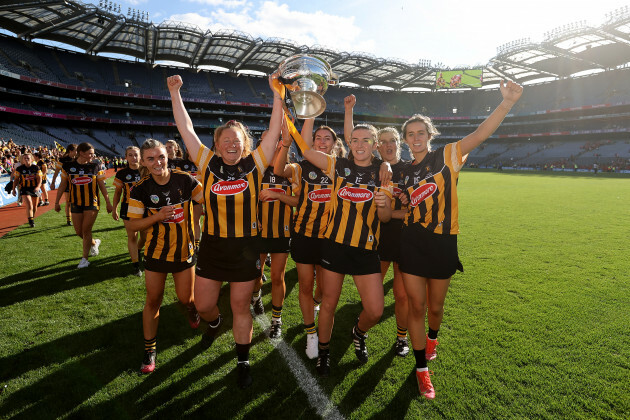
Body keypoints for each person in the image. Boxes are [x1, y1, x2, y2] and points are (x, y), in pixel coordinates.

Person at [399, 80, 523, 399]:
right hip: (411, 243)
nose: (415, 138)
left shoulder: (447, 156)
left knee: (436, 309)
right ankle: (421, 370)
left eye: (420, 133)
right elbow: (394, 210)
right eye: (410, 134)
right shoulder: (399, 172)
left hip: (443, 244)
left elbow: (481, 135)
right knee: (417, 306)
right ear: (405, 139)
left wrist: (506, 103)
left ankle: (433, 339)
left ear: (429, 136)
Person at [167, 73, 281, 389]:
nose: (232, 144)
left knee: (240, 307)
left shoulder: (255, 165)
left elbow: (273, 133)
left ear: (246, 145)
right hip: (214, 247)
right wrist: (175, 94)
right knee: (203, 306)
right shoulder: (207, 163)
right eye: (225, 140)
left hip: (246, 248)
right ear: (216, 145)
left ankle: (243, 361)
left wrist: (277, 94)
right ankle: (215, 324)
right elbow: (186, 130)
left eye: (237, 140)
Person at [296, 118, 393, 377]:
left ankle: (358, 332)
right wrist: (310, 114)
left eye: (366, 140)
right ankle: (324, 353)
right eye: (355, 140)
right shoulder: (337, 166)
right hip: (335, 247)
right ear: (348, 143)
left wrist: (384, 204)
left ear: (374, 144)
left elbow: (384, 218)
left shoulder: (384, 173)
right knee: (329, 304)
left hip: (366, 250)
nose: (360, 144)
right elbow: (306, 150)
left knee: (375, 310)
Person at [126, 139, 204, 374]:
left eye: (160, 156)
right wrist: (157, 217)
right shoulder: (140, 189)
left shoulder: (185, 179)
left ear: (167, 156)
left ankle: (193, 310)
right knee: (153, 301)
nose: (157, 162)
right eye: (150, 158)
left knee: (185, 300)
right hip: (155, 254)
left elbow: (205, 200)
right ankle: (150, 350)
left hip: (183, 252)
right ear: (144, 162)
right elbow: (132, 226)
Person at [344, 95, 412, 358]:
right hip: (375, 238)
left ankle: (401, 338)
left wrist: (392, 212)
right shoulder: (369, 168)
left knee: (402, 296)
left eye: (392, 141)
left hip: (404, 240)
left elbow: (412, 211)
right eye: (382, 142)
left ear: (398, 144)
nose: (387, 145)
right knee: (372, 297)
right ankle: (362, 331)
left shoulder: (408, 170)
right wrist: (349, 110)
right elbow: (351, 139)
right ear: (376, 146)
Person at [273, 120, 345, 359]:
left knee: (324, 289)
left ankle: (317, 305)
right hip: (304, 235)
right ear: (312, 142)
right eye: (318, 138)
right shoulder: (300, 167)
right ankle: (311, 334)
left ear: (335, 144)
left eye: (327, 138)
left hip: (331, 239)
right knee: (305, 285)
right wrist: (285, 144)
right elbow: (278, 171)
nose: (322, 142)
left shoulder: (341, 168)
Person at [252, 137, 298, 339]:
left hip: (282, 232)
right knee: (255, 277)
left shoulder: (290, 172)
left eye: (280, 144)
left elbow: (298, 200)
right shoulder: (255, 170)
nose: (275, 147)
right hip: (258, 233)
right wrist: (253, 217)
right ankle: (256, 296)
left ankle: (276, 320)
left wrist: (277, 195)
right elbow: (244, 199)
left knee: (278, 277)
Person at [54, 142, 113, 268]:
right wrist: (56, 201)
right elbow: (63, 185)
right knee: (78, 231)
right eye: (90, 153)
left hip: (92, 202)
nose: (93, 156)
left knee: (86, 230)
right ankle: (94, 243)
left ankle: (84, 259)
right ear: (81, 153)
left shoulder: (96, 166)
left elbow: (102, 186)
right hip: (75, 202)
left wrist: (108, 202)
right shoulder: (68, 166)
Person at [112, 146, 146, 277]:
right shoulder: (121, 174)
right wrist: (114, 208)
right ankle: (135, 265)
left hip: (145, 207)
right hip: (127, 207)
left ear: (140, 156)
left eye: (136, 155)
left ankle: (137, 251)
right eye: (130, 155)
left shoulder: (146, 170)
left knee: (145, 237)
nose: (134, 158)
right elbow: (117, 193)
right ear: (126, 157)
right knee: (132, 236)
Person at [12, 153, 42, 227]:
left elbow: (40, 179)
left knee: (35, 207)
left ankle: (32, 218)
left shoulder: (36, 168)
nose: (26, 159)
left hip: (34, 188)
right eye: (25, 158)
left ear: (32, 159)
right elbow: (16, 179)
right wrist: (13, 189)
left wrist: (38, 187)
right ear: (22, 160)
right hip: (24, 188)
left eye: (28, 158)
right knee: (29, 204)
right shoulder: (19, 169)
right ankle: (31, 221)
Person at [51, 144, 78, 226]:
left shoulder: (78, 159)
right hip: (66, 182)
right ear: (70, 151)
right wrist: (53, 182)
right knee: (68, 201)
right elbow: (56, 171)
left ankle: (77, 217)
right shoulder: (63, 160)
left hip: (77, 183)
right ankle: (68, 219)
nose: (77, 152)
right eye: (76, 150)